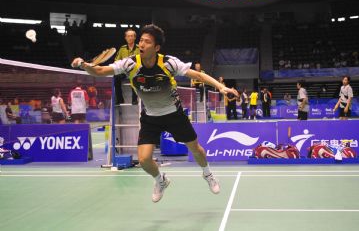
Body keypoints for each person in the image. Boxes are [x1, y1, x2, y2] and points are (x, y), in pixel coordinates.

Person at [71, 24, 238, 202]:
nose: (142, 44)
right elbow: (99, 71)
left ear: (156, 47)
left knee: (195, 149)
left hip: (174, 114)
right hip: (150, 117)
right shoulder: (130, 63)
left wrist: (221, 86)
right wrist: (82, 64)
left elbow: (198, 76)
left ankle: (208, 174)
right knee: (143, 159)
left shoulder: (168, 62)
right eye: (141, 40)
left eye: (147, 42)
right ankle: (161, 180)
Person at [114, 28, 139, 105]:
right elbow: (116, 60)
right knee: (116, 77)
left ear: (135, 37)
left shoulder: (139, 48)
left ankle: (134, 100)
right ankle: (120, 100)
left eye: (132, 36)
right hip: (124, 71)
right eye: (128, 36)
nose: (130, 38)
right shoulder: (122, 49)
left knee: (134, 76)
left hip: (135, 71)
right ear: (125, 38)